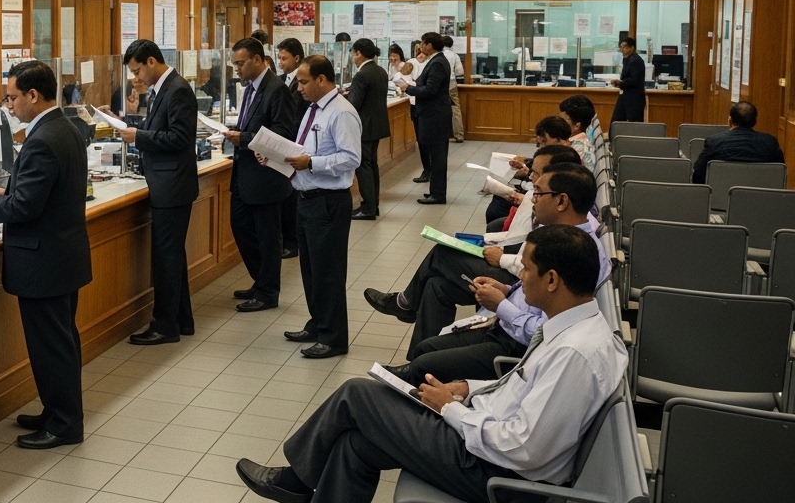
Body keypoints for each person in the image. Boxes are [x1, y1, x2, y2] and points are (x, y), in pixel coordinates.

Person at [236, 223, 627, 503]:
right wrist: (467, 389)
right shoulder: (575, 329)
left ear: (553, 280)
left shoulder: (575, 354)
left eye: (525, 269)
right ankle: (298, 483)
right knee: (355, 445)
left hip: (493, 469)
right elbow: (523, 390)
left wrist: (452, 410)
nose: (519, 279)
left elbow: (524, 449)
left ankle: (295, 482)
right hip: (484, 435)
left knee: (357, 394)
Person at [388, 163, 609, 385]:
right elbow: (529, 288)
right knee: (429, 326)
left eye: (539, 193)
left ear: (561, 201)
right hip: (506, 325)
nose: (532, 199)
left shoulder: (574, 252)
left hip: (517, 346)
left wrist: (501, 305)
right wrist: (506, 289)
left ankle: (418, 385)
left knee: (424, 363)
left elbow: (544, 332)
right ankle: (413, 374)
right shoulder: (561, 236)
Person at [0, 60, 92, 449]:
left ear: (33, 96)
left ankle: (65, 424)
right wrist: (4, 195)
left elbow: (25, 209)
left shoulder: (42, 138)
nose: (9, 106)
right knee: (59, 342)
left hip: (44, 263)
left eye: (12, 97)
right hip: (61, 257)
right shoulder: (66, 128)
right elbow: (40, 195)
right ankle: (56, 410)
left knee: (51, 347)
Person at [366, 145, 583, 356]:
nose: (532, 180)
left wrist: (502, 261)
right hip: (514, 282)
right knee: (436, 286)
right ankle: (417, 365)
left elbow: (533, 271)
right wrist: (487, 242)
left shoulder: (571, 233)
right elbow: (525, 243)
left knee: (443, 254)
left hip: (515, 296)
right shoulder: (554, 209)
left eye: (536, 174)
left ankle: (406, 304)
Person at [279, 55, 360, 359]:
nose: (298, 87)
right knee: (311, 270)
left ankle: (334, 338)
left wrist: (311, 163)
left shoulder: (342, 113)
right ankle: (318, 323)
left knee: (328, 272)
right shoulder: (313, 110)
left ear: (322, 80)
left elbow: (352, 158)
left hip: (328, 201)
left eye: (303, 81)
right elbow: (305, 148)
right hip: (305, 197)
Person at [118, 39, 198, 346]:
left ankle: (165, 325)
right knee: (172, 256)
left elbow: (178, 137)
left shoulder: (176, 89)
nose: (136, 78)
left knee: (166, 258)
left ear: (152, 61)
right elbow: (160, 129)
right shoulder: (161, 90)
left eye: (137, 71)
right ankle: (182, 319)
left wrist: (138, 136)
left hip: (172, 185)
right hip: (166, 182)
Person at [223, 37, 297, 312]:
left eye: (241, 63)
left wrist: (243, 138)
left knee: (268, 237)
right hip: (244, 174)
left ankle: (268, 291)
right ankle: (260, 280)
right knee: (240, 227)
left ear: (258, 59)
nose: (237, 69)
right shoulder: (250, 88)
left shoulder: (276, 89)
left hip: (266, 177)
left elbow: (284, 133)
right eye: (234, 65)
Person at [397, 32, 452, 204]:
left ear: (430, 45)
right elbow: (423, 83)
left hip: (434, 116)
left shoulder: (438, 63)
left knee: (437, 156)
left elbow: (430, 90)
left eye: (423, 43)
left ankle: (438, 194)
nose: (420, 46)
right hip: (433, 114)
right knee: (435, 155)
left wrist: (408, 88)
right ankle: (435, 191)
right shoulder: (435, 61)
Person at [345, 38, 390, 220]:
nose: (353, 58)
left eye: (354, 54)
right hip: (377, 125)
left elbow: (354, 103)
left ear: (358, 53)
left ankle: (368, 208)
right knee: (371, 166)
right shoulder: (380, 71)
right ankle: (373, 204)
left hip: (364, 127)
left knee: (363, 167)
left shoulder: (362, 75)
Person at [693, 100, 785, 183]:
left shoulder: (714, 142)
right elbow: (781, 174)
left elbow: (697, 175)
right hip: (762, 200)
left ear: (730, 121)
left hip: (720, 199)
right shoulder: (770, 143)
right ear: (755, 122)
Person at [277, 38, 308, 260]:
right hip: (284, 144)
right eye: (279, 58)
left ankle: (293, 241)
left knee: (292, 198)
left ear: (297, 58)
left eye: (284, 58)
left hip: (296, 143)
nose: (281, 62)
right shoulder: (283, 80)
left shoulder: (301, 82)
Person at [609, 36, 646, 126]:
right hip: (626, 96)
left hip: (634, 98)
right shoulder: (627, 59)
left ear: (632, 48)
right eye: (621, 47)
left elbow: (634, 79)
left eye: (625, 47)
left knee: (634, 125)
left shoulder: (635, 61)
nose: (622, 49)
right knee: (616, 123)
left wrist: (621, 83)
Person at [558, 96, 597, 170]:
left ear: (577, 126)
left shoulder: (575, 150)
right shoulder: (586, 140)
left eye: (563, 120)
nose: (559, 123)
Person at [441, 35, 465, 143]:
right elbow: (460, 72)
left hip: (439, 85)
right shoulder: (455, 56)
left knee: (439, 109)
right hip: (451, 84)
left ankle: (441, 135)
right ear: (451, 45)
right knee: (455, 110)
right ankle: (459, 135)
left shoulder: (438, 55)